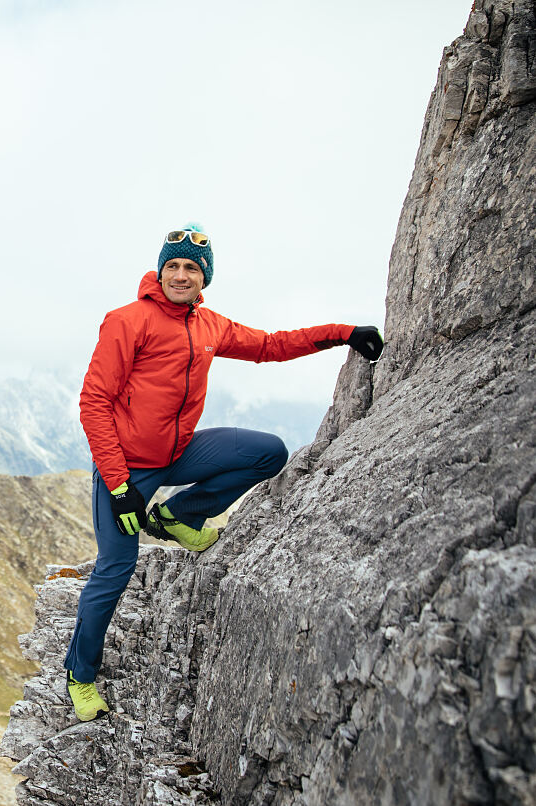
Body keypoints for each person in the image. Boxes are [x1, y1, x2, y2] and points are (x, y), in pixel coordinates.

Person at [64, 223, 384, 722]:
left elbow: (272, 345)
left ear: (204, 278)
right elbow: (94, 404)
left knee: (268, 452)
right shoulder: (126, 321)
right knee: (114, 570)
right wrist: (120, 486)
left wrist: (343, 334)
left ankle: (173, 516)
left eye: (191, 268)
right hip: (126, 470)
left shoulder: (209, 326)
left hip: (180, 451)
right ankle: (80, 675)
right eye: (173, 265)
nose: (180, 274)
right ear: (160, 270)